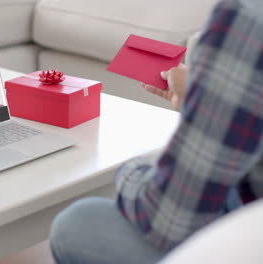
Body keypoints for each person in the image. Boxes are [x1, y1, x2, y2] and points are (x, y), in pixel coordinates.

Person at [49, 0, 263, 263]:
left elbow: (170, 221)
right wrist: (211, 99)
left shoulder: (246, 19)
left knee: (77, 224)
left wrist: (130, 169)